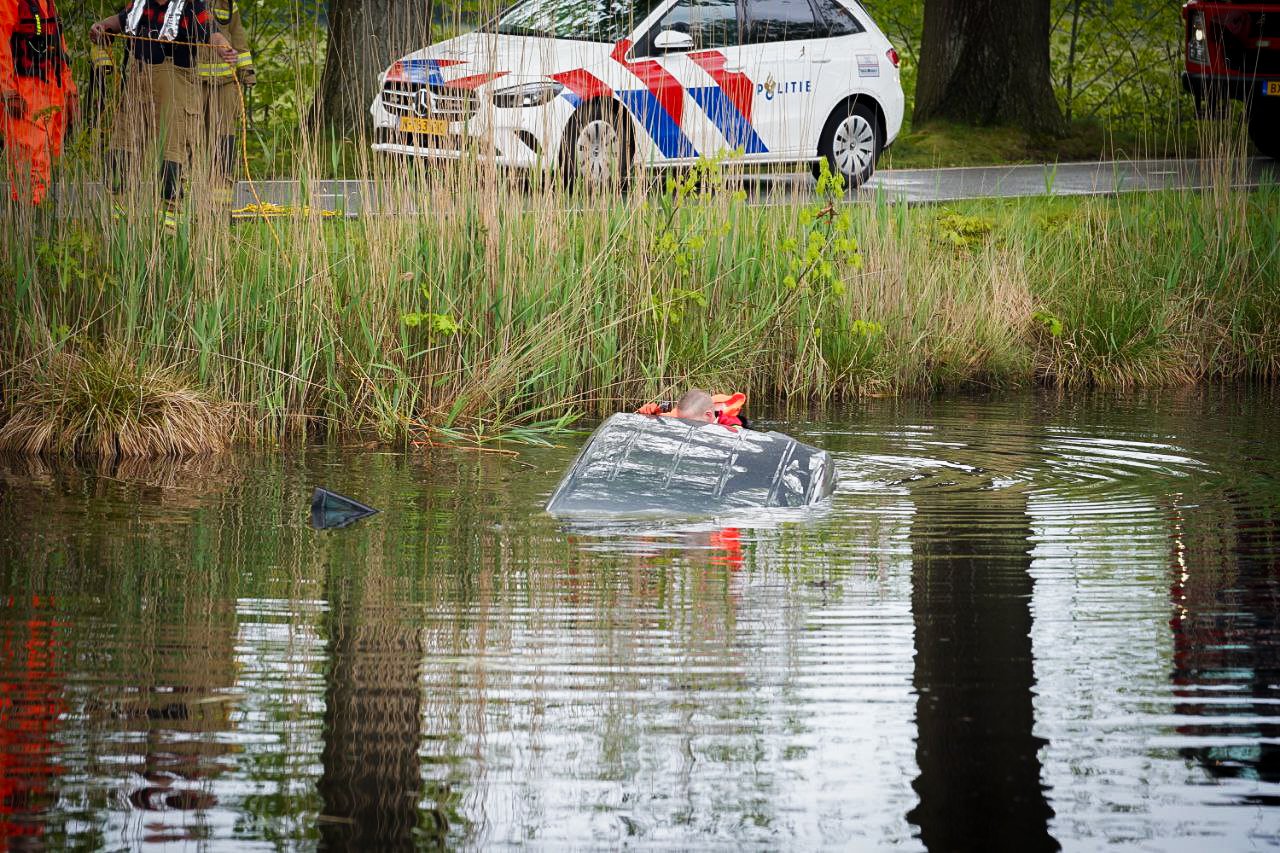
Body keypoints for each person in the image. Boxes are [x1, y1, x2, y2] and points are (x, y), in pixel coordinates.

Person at [89, 0, 237, 231]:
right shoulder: (140, 3)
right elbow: (118, 21)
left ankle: (169, 232)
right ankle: (118, 228)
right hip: (137, 86)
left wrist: (224, 48)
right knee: (120, 155)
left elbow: (213, 34)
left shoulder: (190, 6)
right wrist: (100, 26)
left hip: (176, 88)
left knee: (171, 160)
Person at [0, 0, 77, 205]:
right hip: (24, 93)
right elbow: (1, 43)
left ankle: (43, 221)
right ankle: (27, 222)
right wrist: (7, 89)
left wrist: (70, 90)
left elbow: (60, 49)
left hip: (53, 91)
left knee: (50, 161)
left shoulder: (47, 3)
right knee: (30, 165)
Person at [193, 0, 253, 208]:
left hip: (225, 84)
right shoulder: (183, 4)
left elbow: (238, 36)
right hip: (192, 83)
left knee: (224, 142)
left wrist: (247, 71)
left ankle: (220, 209)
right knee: (189, 140)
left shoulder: (227, 3)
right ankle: (186, 202)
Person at [636, 389, 749, 428]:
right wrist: (646, 413)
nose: (684, 425)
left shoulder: (732, 426)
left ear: (708, 415)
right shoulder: (685, 417)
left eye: (689, 423)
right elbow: (660, 418)